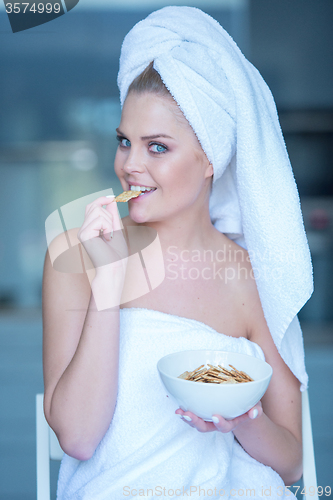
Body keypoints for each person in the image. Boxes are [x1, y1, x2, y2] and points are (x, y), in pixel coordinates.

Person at [42, 6, 313, 500]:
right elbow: (78, 438)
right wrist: (107, 282)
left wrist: (242, 421)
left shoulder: (248, 276)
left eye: (157, 147)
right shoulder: (73, 255)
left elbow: (293, 463)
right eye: (124, 142)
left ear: (210, 157)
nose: (130, 165)